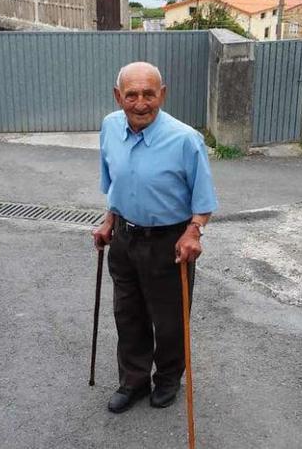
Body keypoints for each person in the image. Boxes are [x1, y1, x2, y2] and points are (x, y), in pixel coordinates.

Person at [92, 62, 218, 413]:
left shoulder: (185, 139)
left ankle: (166, 380)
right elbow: (115, 185)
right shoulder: (109, 127)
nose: (141, 103)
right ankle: (133, 381)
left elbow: (203, 201)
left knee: (169, 321)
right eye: (131, 94)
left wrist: (194, 232)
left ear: (162, 94)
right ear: (119, 97)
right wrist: (108, 221)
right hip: (124, 237)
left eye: (149, 94)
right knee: (127, 315)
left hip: (169, 243)